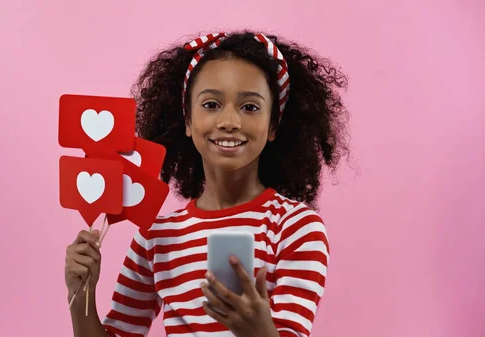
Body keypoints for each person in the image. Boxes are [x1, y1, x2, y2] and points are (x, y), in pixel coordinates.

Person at [65, 30, 349, 337]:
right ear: (187, 121)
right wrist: (80, 294)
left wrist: (258, 331)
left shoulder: (296, 227)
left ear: (273, 126)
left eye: (250, 107)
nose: (229, 121)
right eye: (211, 104)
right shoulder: (155, 238)